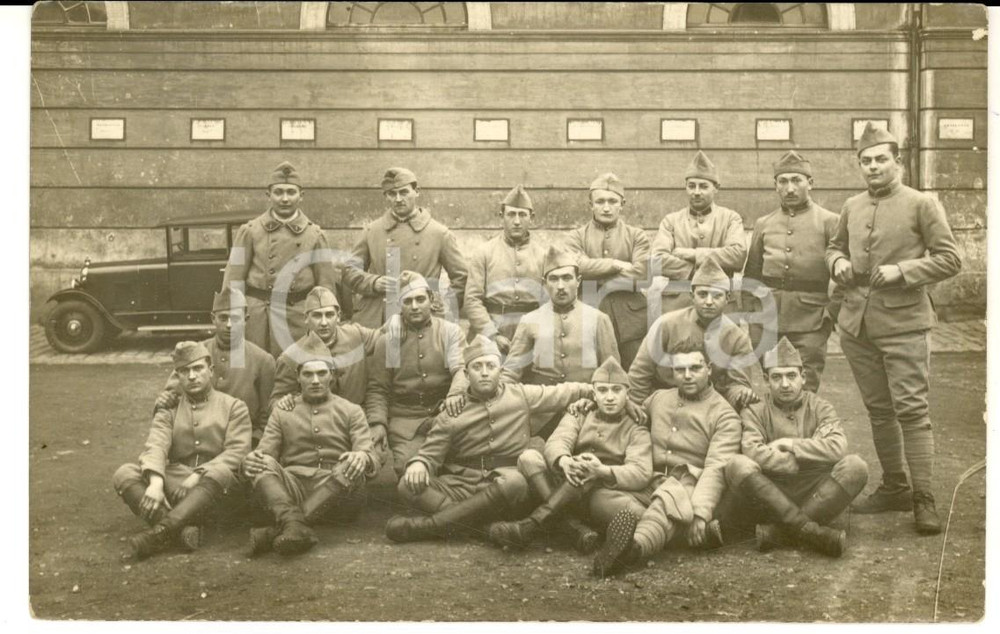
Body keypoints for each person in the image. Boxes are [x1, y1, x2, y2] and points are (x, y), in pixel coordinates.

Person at [827, 123, 962, 535]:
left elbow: (951, 259)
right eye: (866, 161)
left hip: (904, 323)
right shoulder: (851, 205)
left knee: (912, 410)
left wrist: (903, 271)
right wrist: (837, 263)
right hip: (857, 325)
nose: (873, 167)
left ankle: (924, 496)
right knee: (879, 410)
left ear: (897, 162)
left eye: (881, 159)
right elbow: (834, 246)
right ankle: (894, 486)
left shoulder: (922, 204)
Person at [384, 336, 595, 544]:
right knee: (407, 485)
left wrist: (596, 392)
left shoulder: (520, 395)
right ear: (466, 374)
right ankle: (487, 530)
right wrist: (419, 463)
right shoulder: (452, 412)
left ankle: (432, 526)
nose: (484, 373)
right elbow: (430, 453)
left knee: (515, 482)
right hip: (463, 485)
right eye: (477, 367)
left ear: (500, 371)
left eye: (490, 366)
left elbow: (566, 391)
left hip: (507, 483)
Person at [592, 348, 741, 577]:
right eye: (680, 370)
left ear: (709, 370)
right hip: (650, 479)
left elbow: (716, 468)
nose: (688, 375)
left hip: (688, 483)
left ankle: (632, 550)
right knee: (601, 496)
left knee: (667, 499)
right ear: (672, 373)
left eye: (695, 368)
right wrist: (595, 406)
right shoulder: (659, 398)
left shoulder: (724, 415)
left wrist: (700, 514)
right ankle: (674, 533)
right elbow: (635, 415)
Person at [715, 337, 869, 557]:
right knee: (736, 464)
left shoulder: (820, 407)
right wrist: (796, 461)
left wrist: (790, 444)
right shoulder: (755, 410)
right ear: (767, 380)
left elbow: (836, 446)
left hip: (816, 489)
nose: (785, 384)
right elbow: (752, 450)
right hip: (771, 489)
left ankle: (780, 532)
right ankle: (811, 531)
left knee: (856, 466)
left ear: (803, 377)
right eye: (777, 377)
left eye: (791, 376)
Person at [487, 357, 652, 554]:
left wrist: (602, 471)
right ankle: (572, 528)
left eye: (616, 390)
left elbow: (641, 471)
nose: (609, 397)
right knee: (529, 457)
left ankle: (532, 526)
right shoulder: (580, 412)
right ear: (594, 394)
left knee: (628, 511)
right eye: (603, 390)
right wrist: (564, 460)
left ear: (628, 394)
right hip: (568, 481)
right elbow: (557, 441)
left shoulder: (635, 427)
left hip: (601, 490)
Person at [112, 342, 251, 559]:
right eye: (184, 371)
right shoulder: (169, 408)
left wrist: (197, 475)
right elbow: (156, 444)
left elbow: (237, 451)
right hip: (175, 483)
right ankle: (180, 532)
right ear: (178, 376)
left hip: (215, 489)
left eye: (198, 368)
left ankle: (161, 531)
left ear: (211, 371)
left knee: (221, 471)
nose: (192, 376)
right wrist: (157, 483)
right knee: (124, 473)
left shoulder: (234, 406)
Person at [240, 349, 379, 556]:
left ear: (331, 376)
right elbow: (265, 452)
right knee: (263, 463)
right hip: (294, 489)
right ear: (297, 377)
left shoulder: (351, 410)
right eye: (308, 374)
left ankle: (286, 526)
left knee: (350, 464)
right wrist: (249, 461)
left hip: (339, 493)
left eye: (322, 373)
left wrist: (362, 456)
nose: (315, 380)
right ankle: (295, 526)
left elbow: (369, 453)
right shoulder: (283, 410)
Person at [743, 150, 840, 392]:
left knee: (805, 387)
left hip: (812, 319)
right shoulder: (764, 224)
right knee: (774, 384)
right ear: (775, 186)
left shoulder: (830, 222)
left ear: (811, 183)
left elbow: (842, 276)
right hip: (768, 318)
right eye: (783, 181)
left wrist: (831, 314)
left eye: (797, 180)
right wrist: (753, 315)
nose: (790, 188)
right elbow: (751, 275)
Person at [222, 161, 342, 356]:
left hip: (297, 316)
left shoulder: (315, 234)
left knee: (295, 368)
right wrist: (231, 315)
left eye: (290, 192)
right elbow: (233, 280)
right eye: (278, 192)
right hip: (259, 316)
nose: (285, 199)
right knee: (258, 366)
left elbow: (325, 286)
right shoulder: (249, 231)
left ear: (301, 196)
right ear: (268, 195)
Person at [366, 271, 467, 477]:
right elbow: (378, 388)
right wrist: (377, 423)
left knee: (459, 468)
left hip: (443, 413)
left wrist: (456, 393)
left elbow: (461, 370)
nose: (414, 306)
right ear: (399, 306)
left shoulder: (449, 332)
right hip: (405, 420)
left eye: (420, 299)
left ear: (431, 300)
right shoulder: (389, 341)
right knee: (410, 473)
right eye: (407, 301)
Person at [342, 167, 469, 328]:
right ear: (386, 196)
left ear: (416, 192)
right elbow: (349, 270)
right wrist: (374, 282)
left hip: (421, 317)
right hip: (379, 315)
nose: (398, 199)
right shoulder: (371, 231)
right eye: (391, 194)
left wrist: (442, 305)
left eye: (404, 192)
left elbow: (462, 277)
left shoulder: (438, 233)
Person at [628, 258, 759, 412]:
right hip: (665, 403)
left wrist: (740, 394)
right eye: (703, 294)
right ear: (692, 296)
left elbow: (736, 384)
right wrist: (640, 410)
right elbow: (640, 373)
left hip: (711, 408)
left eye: (717, 296)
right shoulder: (666, 325)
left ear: (728, 298)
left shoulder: (736, 337)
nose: (709, 301)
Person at [154, 289, 275, 447]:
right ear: (213, 319)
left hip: (241, 442)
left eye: (235, 318)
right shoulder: (195, 352)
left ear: (246, 319)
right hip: (195, 440)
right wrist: (164, 400)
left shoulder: (262, 360)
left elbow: (267, 418)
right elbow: (171, 396)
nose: (229, 325)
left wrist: (251, 446)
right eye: (223, 318)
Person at [566, 173, 650, 369]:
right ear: (590, 205)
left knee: (636, 372)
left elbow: (643, 276)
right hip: (589, 315)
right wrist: (615, 264)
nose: (606, 207)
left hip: (631, 323)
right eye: (600, 201)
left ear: (622, 204)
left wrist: (592, 274)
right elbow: (574, 268)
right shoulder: (576, 237)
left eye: (612, 201)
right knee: (590, 372)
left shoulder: (637, 236)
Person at [651, 151, 747, 314]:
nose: (696, 192)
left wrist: (693, 254)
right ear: (685, 187)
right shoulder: (671, 221)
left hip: (720, 301)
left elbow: (737, 255)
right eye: (691, 186)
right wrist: (697, 270)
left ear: (716, 188)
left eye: (703, 186)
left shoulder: (730, 218)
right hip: (678, 303)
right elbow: (656, 260)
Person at [464, 184, 547, 353]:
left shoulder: (544, 256)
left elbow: (548, 302)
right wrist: (492, 335)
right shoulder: (484, 252)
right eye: (511, 214)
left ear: (532, 217)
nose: (516, 221)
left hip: (531, 331)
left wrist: (534, 334)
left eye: (522, 215)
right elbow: (472, 300)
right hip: (492, 327)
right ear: (502, 216)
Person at [269, 286, 380, 414]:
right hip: (317, 422)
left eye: (329, 315)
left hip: (359, 416)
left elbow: (386, 337)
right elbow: (276, 400)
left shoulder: (357, 335)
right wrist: (283, 401)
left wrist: (396, 319)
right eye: (317, 315)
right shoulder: (290, 357)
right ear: (306, 318)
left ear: (338, 316)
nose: (324, 322)